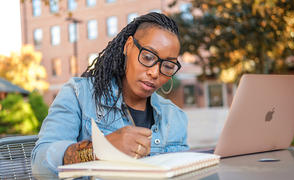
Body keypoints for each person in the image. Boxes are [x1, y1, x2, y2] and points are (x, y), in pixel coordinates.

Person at [31, 12, 189, 178]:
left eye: (168, 66)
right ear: (128, 46)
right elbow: (39, 165)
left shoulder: (175, 117)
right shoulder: (79, 94)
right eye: (148, 57)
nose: (155, 72)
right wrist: (100, 149)